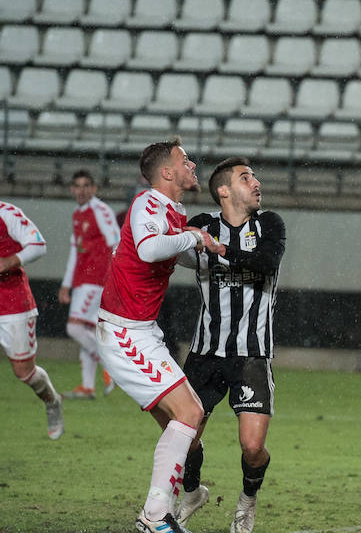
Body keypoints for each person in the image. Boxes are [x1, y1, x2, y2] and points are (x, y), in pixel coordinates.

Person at [96, 141, 225, 533]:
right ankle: (155, 516)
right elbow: (152, 249)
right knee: (190, 413)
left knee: (184, 420)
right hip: (124, 332)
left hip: (141, 331)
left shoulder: (173, 211)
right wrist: (197, 238)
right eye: (183, 159)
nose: (191, 164)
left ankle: (165, 510)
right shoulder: (147, 204)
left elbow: (172, 251)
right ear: (167, 173)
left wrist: (212, 250)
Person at [174, 158, 286, 533]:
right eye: (245, 177)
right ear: (224, 191)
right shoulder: (203, 226)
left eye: (254, 175)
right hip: (205, 353)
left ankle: (247, 500)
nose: (256, 182)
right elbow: (170, 249)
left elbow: (267, 264)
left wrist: (220, 251)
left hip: (251, 353)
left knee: (252, 448)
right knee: (181, 437)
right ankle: (191, 492)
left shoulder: (268, 224)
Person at [0, 201, 64, 440]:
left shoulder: (6, 213)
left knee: (24, 372)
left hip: (12, 303)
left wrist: (8, 261)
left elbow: (38, 245)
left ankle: (52, 400)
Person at [58, 170, 120, 399]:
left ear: (94, 189)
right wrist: (66, 284)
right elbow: (76, 251)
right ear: (72, 189)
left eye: (86, 185)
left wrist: (115, 278)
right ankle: (87, 387)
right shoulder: (78, 213)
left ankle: (108, 364)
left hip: (97, 279)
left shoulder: (100, 210)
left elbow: (116, 242)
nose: (81, 190)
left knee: (74, 327)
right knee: (88, 330)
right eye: (77, 186)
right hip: (83, 279)